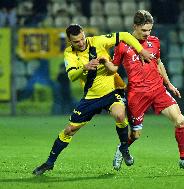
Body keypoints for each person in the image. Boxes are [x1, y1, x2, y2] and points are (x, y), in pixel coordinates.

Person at [32, 24, 153, 175]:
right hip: (90, 97)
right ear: (70, 41)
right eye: (76, 41)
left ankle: (124, 148)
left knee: (120, 115)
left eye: (82, 38)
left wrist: (141, 50)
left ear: (84, 34)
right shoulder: (69, 53)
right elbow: (71, 76)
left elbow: (125, 36)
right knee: (69, 130)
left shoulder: (98, 41)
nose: (81, 43)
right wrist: (85, 67)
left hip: (112, 91)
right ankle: (49, 163)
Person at [101, 10, 184, 172]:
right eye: (144, 30)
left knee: (180, 121)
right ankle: (122, 148)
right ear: (135, 26)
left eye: (149, 30)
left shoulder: (154, 41)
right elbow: (113, 69)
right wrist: (104, 61)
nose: (147, 34)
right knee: (135, 135)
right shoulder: (123, 45)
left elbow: (159, 63)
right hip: (137, 94)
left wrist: (169, 84)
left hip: (157, 90)